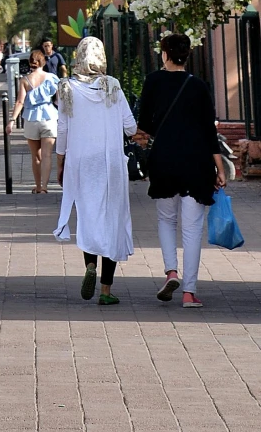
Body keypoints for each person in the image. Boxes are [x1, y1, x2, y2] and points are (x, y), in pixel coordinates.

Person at [133, 30, 222, 309]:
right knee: (193, 227)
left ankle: (171, 271)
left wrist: (140, 136)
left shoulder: (153, 81)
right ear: (187, 55)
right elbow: (210, 130)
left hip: (164, 159)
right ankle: (189, 292)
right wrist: (219, 168)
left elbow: (143, 124)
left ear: (165, 54)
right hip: (196, 162)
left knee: (166, 220)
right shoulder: (198, 86)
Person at [53, 34, 136, 303]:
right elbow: (130, 127)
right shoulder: (112, 86)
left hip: (81, 163)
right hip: (110, 163)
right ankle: (106, 291)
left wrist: (60, 161)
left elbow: (63, 130)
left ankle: (90, 266)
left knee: (88, 217)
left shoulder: (66, 87)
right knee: (111, 219)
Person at [14, 51, 59, 193]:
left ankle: (38, 186)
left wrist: (11, 120)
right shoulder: (52, 78)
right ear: (43, 62)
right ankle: (45, 187)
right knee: (47, 155)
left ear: (30, 62)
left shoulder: (25, 80)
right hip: (49, 117)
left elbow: (20, 101)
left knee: (36, 156)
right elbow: (59, 100)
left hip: (31, 118)